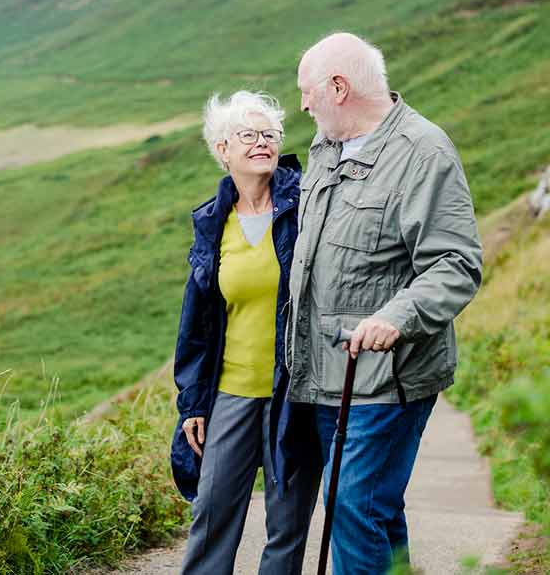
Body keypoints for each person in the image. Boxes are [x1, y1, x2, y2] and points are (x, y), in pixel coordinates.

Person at [283, 32, 484, 573]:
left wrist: (396, 316)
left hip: (385, 379)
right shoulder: (326, 148)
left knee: (352, 508)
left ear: (339, 87)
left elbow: (456, 264)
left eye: (308, 91)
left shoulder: (423, 153)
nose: (303, 104)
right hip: (325, 376)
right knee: (370, 507)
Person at [171, 90, 322, 575]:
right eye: (248, 135)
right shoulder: (214, 223)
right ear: (223, 149)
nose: (263, 143)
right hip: (230, 394)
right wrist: (193, 404)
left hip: (294, 394)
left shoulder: (307, 207)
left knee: (287, 524)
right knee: (212, 515)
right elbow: (197, 321)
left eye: (270, 135)